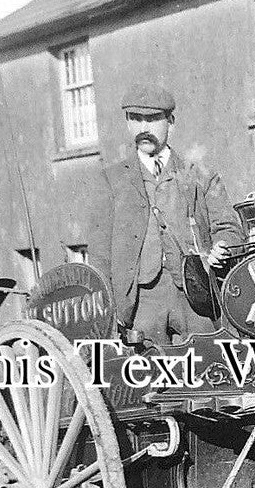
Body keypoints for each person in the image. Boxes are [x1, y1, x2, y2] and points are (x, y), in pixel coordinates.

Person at [88, 84, 245, 344]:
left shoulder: (199, 175)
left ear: (170, 122)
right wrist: (109, 308)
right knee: (147, 377)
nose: (143, 128)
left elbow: (229, 227)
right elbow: (100, 254)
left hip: (196, 296)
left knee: (207, 368)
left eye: (152, 119)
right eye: (135, 119)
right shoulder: (111, 180)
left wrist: (222, 247)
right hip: (139, 301)